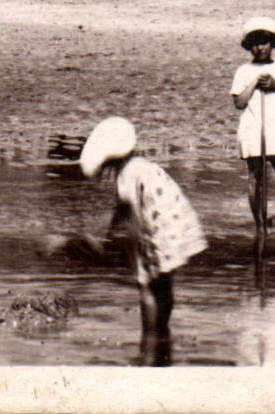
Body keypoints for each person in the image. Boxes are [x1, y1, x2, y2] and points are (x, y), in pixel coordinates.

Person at [80, 116, 207, 366]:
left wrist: (135, 247)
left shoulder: (125, 176)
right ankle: (163, 332)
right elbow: (122, 209)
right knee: (165, 281)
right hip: (174, 226)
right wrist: (108, 232)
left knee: (146, 285)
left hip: (153, 229)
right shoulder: (143, 165)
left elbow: (133, 214)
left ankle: (149, 341)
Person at [229, 16, 275, 244]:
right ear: (249, 46)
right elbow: (239, 103)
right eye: (255, 44)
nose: (260, 48)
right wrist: (254, 83)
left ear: (273, 44)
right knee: (256, 179)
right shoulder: (243, 70)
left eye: (264, 43)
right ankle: (260, 226)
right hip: (252, 129)